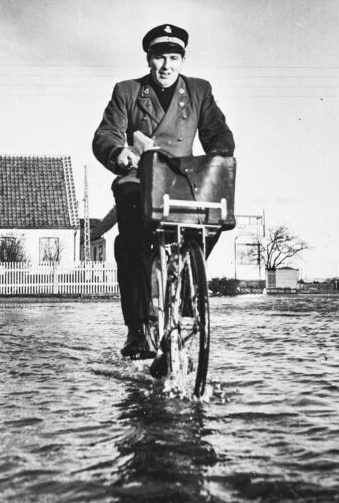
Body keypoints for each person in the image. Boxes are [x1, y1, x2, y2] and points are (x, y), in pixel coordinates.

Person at [92, 24, 235, 359]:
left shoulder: (199, 91)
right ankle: (138, 329)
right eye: (159, 57)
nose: (166, 66)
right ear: (149, 59)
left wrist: (219, 153)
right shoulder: (127, 91)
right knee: (131, 243)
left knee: (216, 218)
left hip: (183, 180)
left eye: (174, 58)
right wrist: (118, 152)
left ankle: (186, 279)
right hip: (139, 179)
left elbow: (218, 131)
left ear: (182, 60)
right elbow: (105, 134)